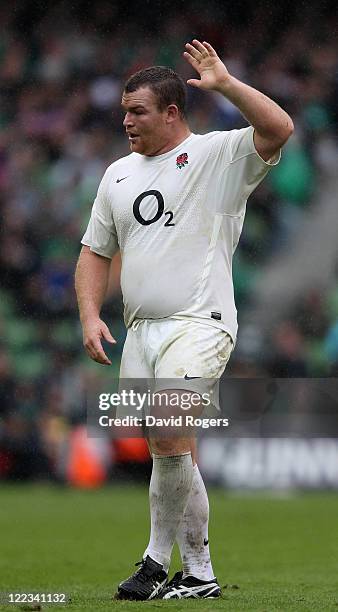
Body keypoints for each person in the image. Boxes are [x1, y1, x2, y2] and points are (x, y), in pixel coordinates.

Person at [75, 39, 293, 600]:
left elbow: (279, 128)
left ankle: (154, 561)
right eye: (124, 111)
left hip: (200, 321)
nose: (126, 121)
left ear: (172, 112)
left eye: (137, 111)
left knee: (171, 431)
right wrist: (89, 314)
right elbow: (95, 253)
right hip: (141, 333)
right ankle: (198, 575)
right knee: (171, 448)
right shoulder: (118, 175)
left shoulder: (217, 156)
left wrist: (227, 85)